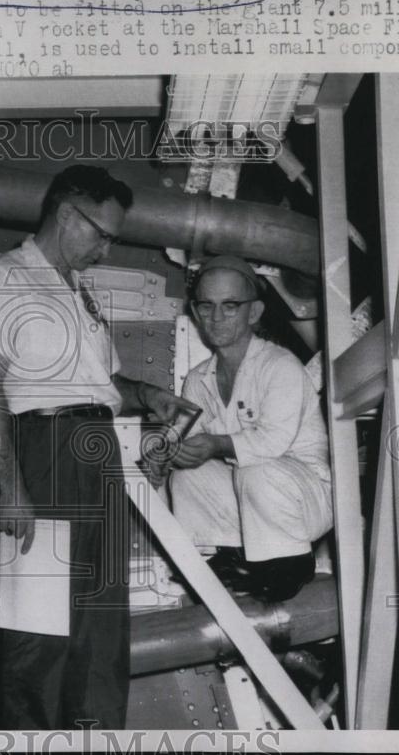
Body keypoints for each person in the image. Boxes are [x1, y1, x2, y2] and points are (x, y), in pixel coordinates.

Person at [0, 165, 196, 730]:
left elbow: (102, 386)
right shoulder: (3, 277)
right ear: (68, 214)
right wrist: (11, 488)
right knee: (39, 635)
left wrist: (149, 394)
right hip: (42, 452)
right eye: (102, 233)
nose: (106, 247)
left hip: (99, 451)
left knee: (100, 629)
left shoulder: (80, 291)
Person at [167, 255, 333, 602]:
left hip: (304, 497)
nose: (216, 317)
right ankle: (226, 554)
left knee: (254, 468)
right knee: (185, 476)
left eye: (230, 306)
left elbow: (270, 443)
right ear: (195, 313)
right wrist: (166, 456)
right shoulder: (198, 378)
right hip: (252, 499)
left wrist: (213, 444)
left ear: (254, 313)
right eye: (206, 306)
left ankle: (290, 566)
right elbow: (185, 436)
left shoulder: (279, 365)